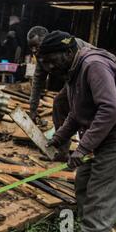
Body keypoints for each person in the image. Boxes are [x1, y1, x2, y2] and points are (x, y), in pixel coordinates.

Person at [39, 31, 116, 232]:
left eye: (51, 61)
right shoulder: (72, 70)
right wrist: (59, 137)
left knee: (100, 196)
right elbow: (77, 113)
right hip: (105, 135)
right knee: (84, 183)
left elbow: (110, 109)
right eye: (44, 63)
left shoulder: (93, 65)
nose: (48, 67)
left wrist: (83, 148)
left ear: (68, 52)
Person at [27, 26, 93, 160]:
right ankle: (63, 153)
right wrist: (33, 108)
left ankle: (87, 152)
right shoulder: (43, 55)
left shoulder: (71, 45)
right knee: (59, 104)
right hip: (72, 81)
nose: (34, 51)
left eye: (36, 46)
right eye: (31, 47)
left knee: (81, 111)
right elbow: (38, 80)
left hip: (90, 79)